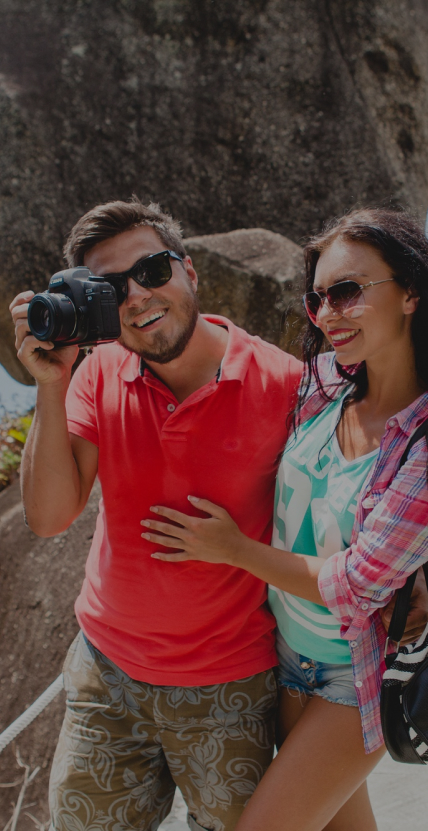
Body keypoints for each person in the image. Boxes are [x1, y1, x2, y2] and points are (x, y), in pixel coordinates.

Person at [10, 197, 304, 831]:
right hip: (106, 674)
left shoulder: (286, 387)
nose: (137, 296)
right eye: (111, 287)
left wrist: (237, 552)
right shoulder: (95, 374)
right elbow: (49, 517)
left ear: (189, 271)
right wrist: (51, 383)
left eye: (150, 270)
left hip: (228, 684)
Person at [139, 208, 428, 831]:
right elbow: (229, 359)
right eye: (318, 298)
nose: (328, 315)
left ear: (411, 292)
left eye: (348, 292)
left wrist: (232, 549)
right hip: (284, 653)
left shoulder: (422, 440)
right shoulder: (323, 384)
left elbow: (359, 583)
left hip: (352, 676)